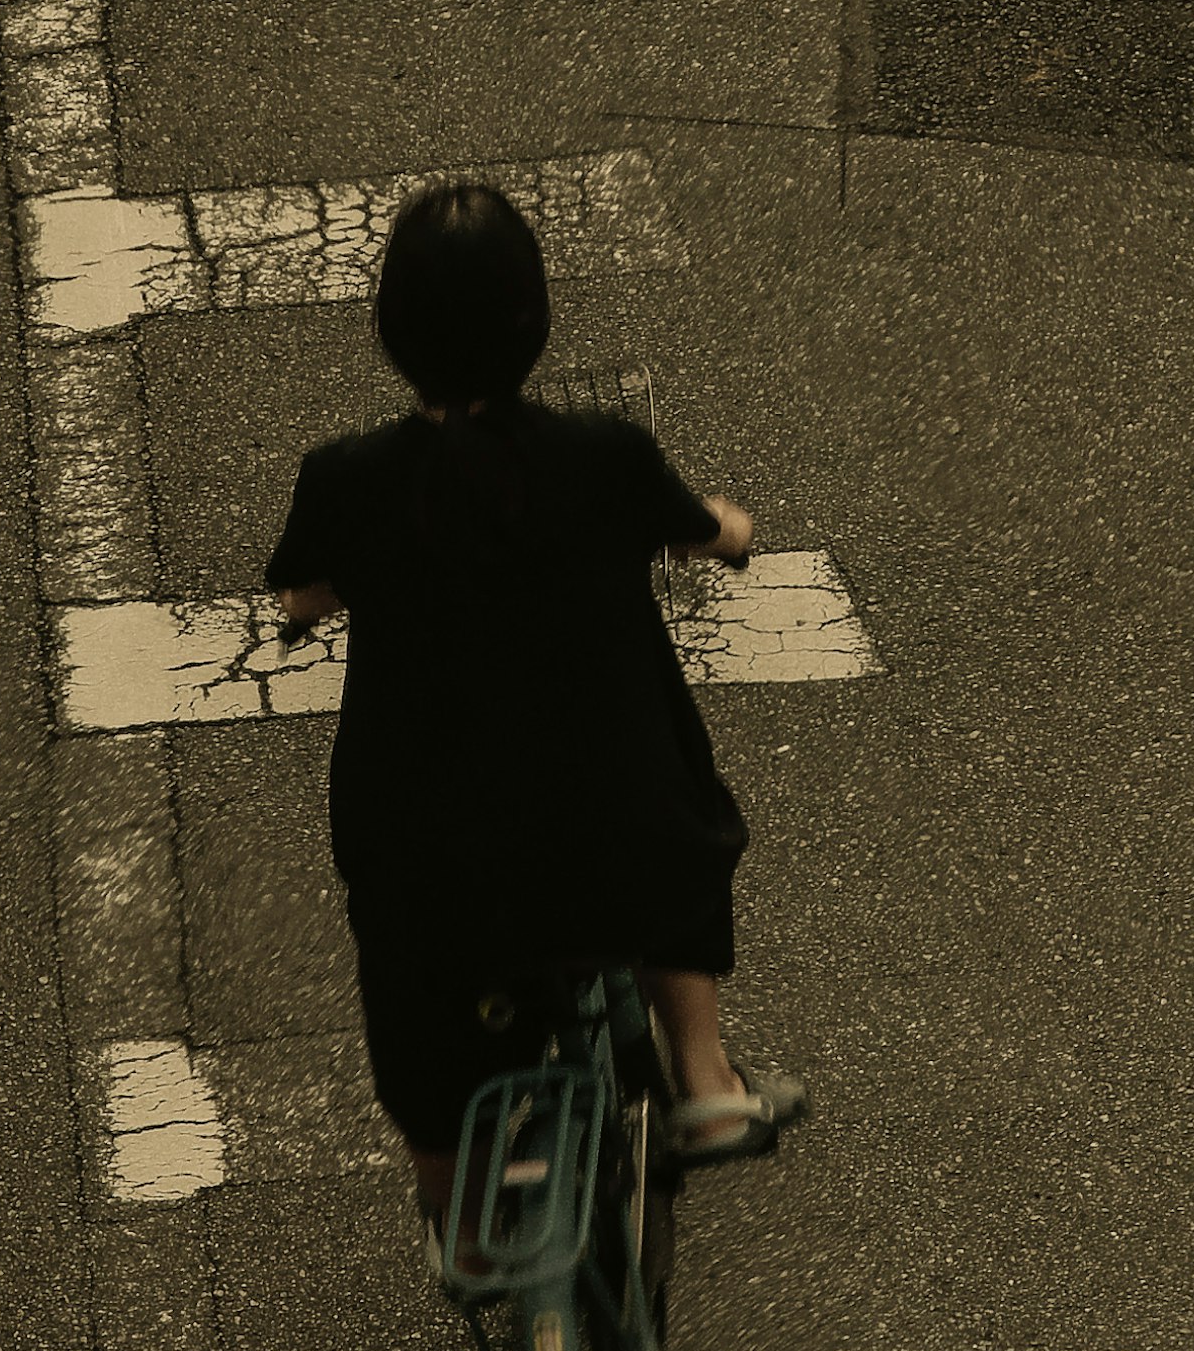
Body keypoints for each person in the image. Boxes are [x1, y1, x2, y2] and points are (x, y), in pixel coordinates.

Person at [265, 182, 808, 1231]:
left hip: (432, 859)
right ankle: (702, 1079)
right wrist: (732, 530)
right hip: (611, 834)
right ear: (535, 318)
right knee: (674, 829)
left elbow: (303, 591)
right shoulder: (604, 457)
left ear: (392, 332)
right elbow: (710, 529)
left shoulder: (349, 479)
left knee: (414, 997)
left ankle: (453, 1205)